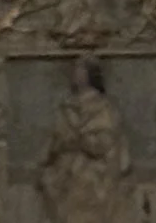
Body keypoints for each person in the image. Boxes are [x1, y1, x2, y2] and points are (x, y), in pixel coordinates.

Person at [39, 61, 133, 223]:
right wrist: (60, 144)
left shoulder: (103, 106)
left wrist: (85, 141)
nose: (76, 75)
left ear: (90, 75)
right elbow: (56, 137)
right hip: (66, 164)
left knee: (86, 183)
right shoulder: (67, 106)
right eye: (76, 70)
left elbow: (106, 140)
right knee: (51, 182)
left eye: (80, 71)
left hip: (94, 166)